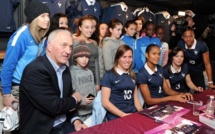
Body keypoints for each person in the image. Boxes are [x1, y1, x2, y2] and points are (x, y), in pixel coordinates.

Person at [19, 29, 87, 133]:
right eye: (63, 45)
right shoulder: (35, 70)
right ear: (49, 46)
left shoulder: (65, 70)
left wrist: (76, 120)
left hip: (64, 125)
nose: (68, 51)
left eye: (70, 46)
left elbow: (66, 100)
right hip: (43, 130)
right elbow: (54, 106)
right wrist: (75, 99)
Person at [0, 1, 50, 110]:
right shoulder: (21, 36)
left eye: (48, 15)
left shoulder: (41, 35)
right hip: (19, 87)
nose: (47, 19)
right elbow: (7, 66)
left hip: (35, 85)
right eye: (43, 16)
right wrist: (6, 94)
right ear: (34, 18)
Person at [101, 45, 143, 121]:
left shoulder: (133, 75)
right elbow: (105, 102)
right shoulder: (109, 75)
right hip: (116, 116)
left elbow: (135, 98)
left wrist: (141, 111)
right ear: (118, 58)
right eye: (124, 57)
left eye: (130, 57)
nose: (127, 60)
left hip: (133, 113)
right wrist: (123, 115)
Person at [71, 15, 100, 92]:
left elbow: (96, 62)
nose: (90, 30)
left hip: (92, 78)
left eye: (92, 27)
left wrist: (97, 82)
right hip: (80, 79)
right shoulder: (74, 42)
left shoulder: (94, 43)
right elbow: (71, 63)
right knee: (83, 101)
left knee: (92, 101)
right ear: (80, 28)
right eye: (87, 27)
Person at [70, 44, 96, 122]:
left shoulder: (89, 72)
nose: (84, 59)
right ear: (75, 58)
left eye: (87, 57)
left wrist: (93, 99)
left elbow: (93, 89)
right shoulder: (72, 72)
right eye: (81, 57)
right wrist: (83, 101)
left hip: (92, 110)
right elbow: (71, 93)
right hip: (79, 113)